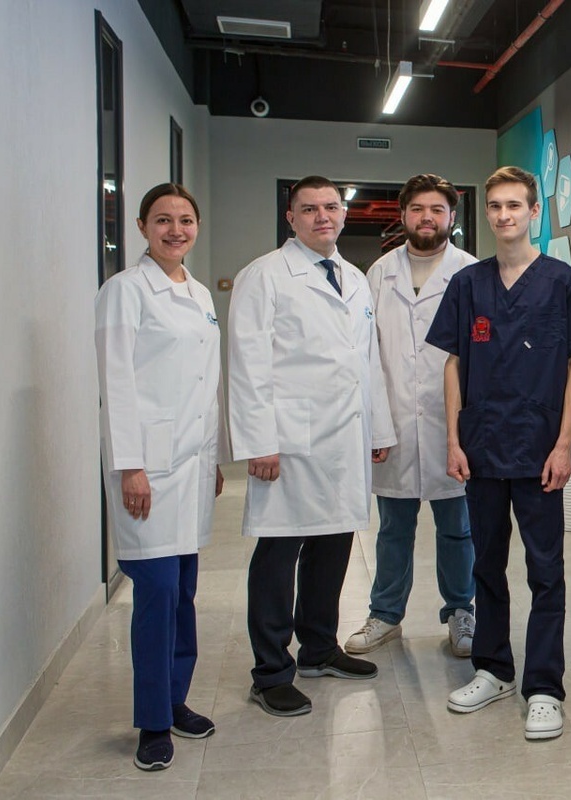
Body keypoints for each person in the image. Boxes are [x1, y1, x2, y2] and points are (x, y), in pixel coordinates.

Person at [426, 166, 571, 740]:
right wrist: (454, 439)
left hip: (540, 449)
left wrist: (564, 444)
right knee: (486, 566)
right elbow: (454, 363)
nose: (504, 215)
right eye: (495, 206)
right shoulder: (467, 284)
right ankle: (494, 669)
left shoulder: (562, 282)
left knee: (546, 571)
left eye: (514, 206)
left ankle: (544, 687)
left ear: (534, 212)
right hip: (481, 449)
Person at [227, 175, 396, 717]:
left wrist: (379, 430)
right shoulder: (265, 276)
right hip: (289, 442)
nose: (322, 216)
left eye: (331, 207)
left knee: (334, 545)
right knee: (279, 554)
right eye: (309, 209)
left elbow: (368, 362)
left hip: (344, 438)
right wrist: (258, 441)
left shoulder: (354, 278)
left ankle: (319, 649)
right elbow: (247, 365)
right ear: (291, 218)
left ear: (343, 214)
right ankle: (270, 672)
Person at [95, 183, 227, 771]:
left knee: (184, 593)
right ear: (143, 227)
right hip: (147, 467)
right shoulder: (125, 291)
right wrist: (131, 467)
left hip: (191, 465)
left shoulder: (199, 292)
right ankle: (152, 722)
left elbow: (205, 382)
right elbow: (117, 384)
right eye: (163, 220)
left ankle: (175, 699)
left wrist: (213, 456)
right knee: (156, 593)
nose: (176, 230)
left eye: (186, 220)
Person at [345, 174, 477, 658]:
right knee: (393, 529)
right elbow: (367, 354)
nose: (427, 218)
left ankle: (461, 611)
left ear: (451, 217)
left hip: (453, 424)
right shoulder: (379, 273)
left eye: (437, 210)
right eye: (418, 209)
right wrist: (376, 423)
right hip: (394, 422)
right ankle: (385, 615)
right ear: (403, 215)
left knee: (458, 528)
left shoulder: (470, 271)